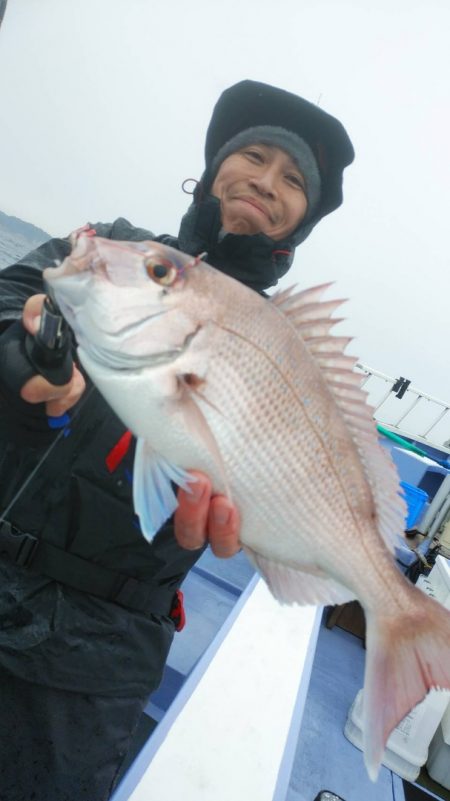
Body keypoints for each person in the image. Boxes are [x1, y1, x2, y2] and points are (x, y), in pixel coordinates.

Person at [0, 79, 354, 800]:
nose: (266, 180)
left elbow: (279, 467)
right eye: (254, 156)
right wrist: (15, 352)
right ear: (214, 165)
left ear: (300, 222)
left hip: (91, 661)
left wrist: (270, 523)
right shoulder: (110, 248)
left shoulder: (286, 348)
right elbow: (12, 295)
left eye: (293, 182)